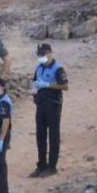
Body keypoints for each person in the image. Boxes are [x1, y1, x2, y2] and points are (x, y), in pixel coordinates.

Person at [30, 43, 69, 178]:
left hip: (53, 104)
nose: (41, 57)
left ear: (50, 53)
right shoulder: (39, 67)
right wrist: (34, 91)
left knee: (53, 135)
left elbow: (65, 86)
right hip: (41, 104)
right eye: (39, 54)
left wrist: (48, 85)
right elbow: (34, 81)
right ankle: (41, 164)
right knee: (40, 135)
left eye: (43, 54)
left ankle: (52, 166)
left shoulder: (58, 69)